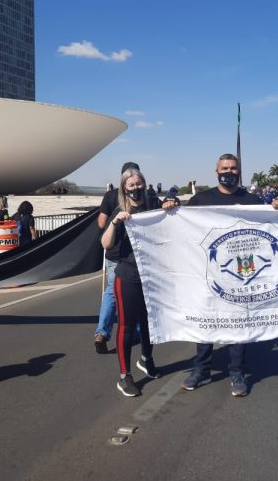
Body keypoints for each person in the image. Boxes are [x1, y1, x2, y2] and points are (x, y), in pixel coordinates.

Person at [182, 153, 278, 397]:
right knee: (206, 321)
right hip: (209, 273)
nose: (228, 172)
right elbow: (182, 227)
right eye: (224, 168)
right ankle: (201, 369)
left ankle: (237, 372)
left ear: (239, 171)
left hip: (240, 275)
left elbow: (271, 225)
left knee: (239, 324)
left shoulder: (251, 200)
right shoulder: (201, 199)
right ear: (216, 171)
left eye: (233, 168)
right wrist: (170, 206)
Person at [101, 168, 175, 397]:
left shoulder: (152, 205)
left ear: (144, 184)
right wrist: (114, 222)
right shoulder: (120, 209)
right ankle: (125, 376)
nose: (135, 188)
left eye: (139, 183)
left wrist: (173, 201)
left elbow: (172, 212)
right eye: (131, 184)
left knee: (149, 322)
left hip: (152, 276)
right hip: (128, 276)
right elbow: (105, 243)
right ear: (124, 187)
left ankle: (146, 359)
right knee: (126, 325)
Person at [93, 162, 140, 354]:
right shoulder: (139, 197)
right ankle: (134, 331)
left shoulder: (109, 195)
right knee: (134, 293)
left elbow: (101, 222)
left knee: (111, 294)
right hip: (127, 254)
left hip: (114, 254)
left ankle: (102, 332)